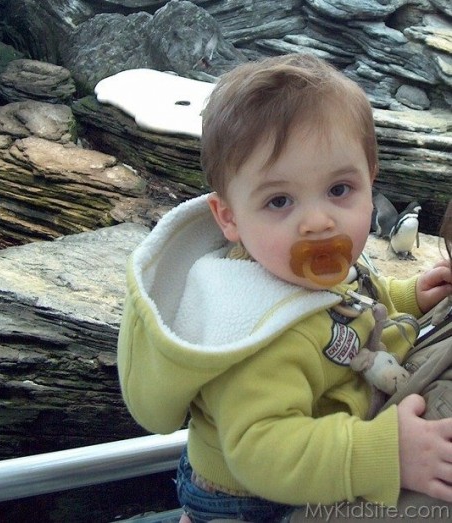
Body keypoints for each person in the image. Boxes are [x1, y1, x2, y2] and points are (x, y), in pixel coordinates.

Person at [117, 54, 452, 523]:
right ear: (229, 217)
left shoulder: (310, 267)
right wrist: (384, 453)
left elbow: (353, 302)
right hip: (249, 501)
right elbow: (262, 451)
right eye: (279, 200)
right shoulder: (256, 334)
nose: (318, 221)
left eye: (339, 189)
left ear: (370, 181)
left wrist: (409, 296)